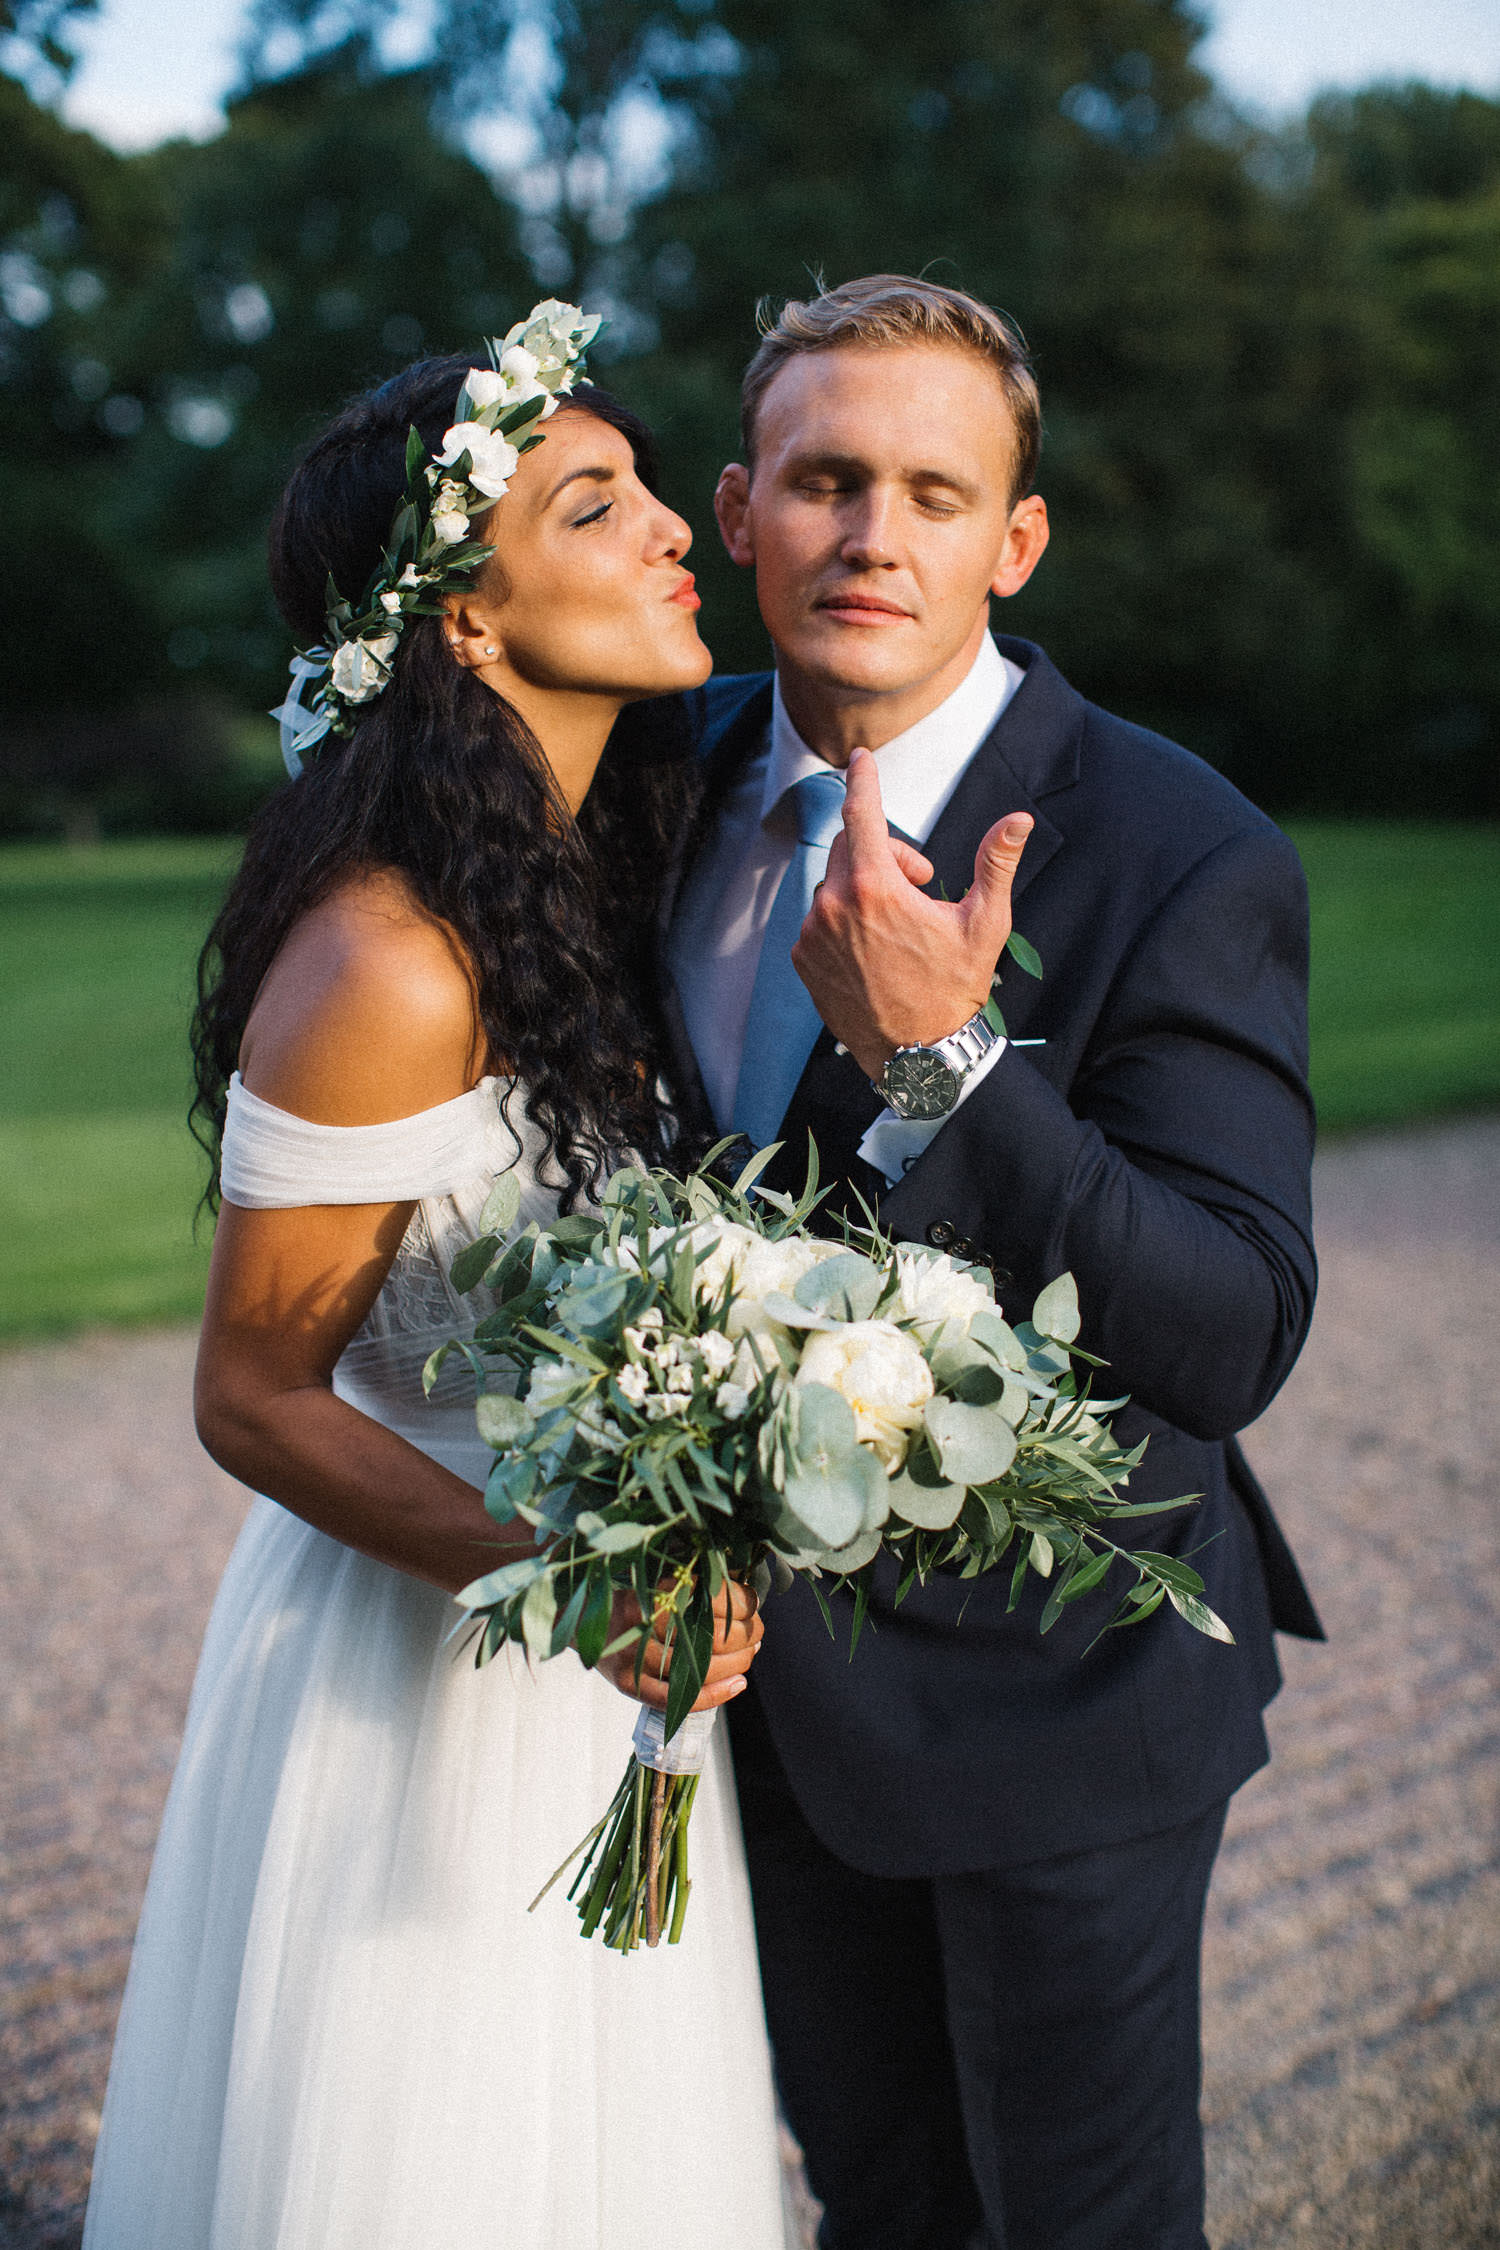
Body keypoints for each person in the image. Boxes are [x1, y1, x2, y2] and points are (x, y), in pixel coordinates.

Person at [82, 315, 792, 2250]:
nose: (679, 531)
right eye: (598, 503)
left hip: (591, 1667)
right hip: (420, 1674)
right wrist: (578, 1581)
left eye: (648, 486)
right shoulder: (391, 957)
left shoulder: (574, 893)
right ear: (464, 623)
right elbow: (251, 1394)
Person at [663, 276, 1322, 2250]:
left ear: (1013, 542)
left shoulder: (1175, 849)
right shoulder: (644, 784)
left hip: (1061, 1688)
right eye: (827, 480)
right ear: (737, 507)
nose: (874, 536)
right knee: (879, 2207)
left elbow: (1228, 1328)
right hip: (769, 1702)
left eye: (935, 495)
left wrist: (948, 1067)